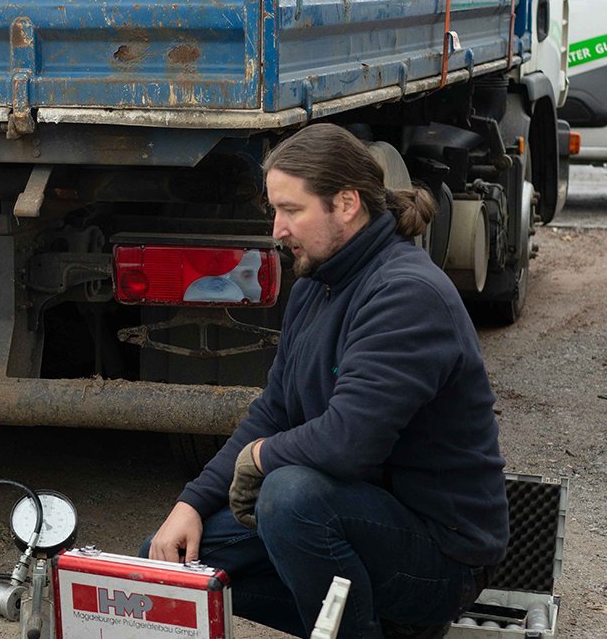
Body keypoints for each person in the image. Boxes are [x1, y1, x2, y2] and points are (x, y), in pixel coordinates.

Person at [146, 123, 509, 638]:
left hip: (440, 555)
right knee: (171, 565)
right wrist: (192, 502)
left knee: (291, 497)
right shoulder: (317, 285)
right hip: (359, 519)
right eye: (275, 211)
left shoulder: (405, 295)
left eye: (291, 210)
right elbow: (274, 410)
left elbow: (347, 444)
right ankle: (365, 624)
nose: (277, 229)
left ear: (346, 203)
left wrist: (259, 458)